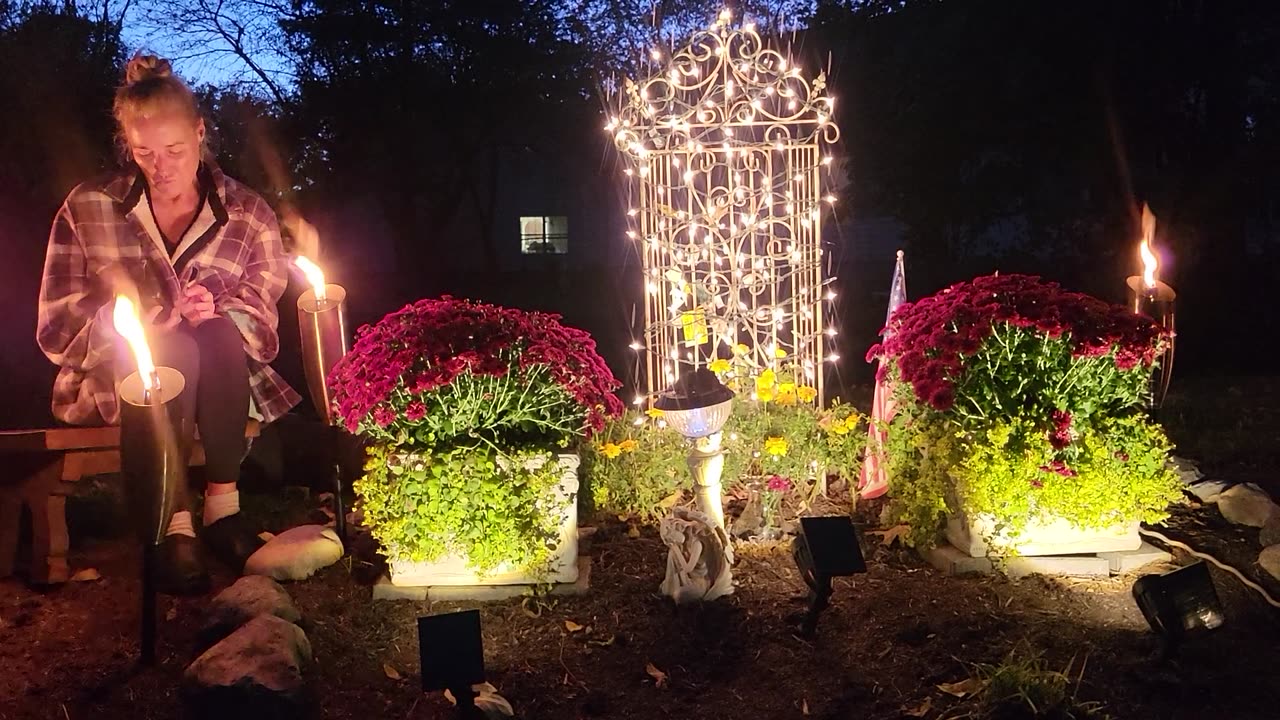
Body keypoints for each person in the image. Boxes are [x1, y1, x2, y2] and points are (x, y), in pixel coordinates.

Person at [36, 53, 301, 594]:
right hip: (123, 378)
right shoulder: (89, 207)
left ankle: (223, 510)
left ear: (200, 133)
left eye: (175, 150)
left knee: (217, 335)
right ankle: (173, 524)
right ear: (126, 147)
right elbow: (56, 323)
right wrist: (133, 318)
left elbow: (265, 305)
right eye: (144, 153)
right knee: (170, 348)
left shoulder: (247, 213)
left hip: (225, 379)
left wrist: (222, 308)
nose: (161, 167)